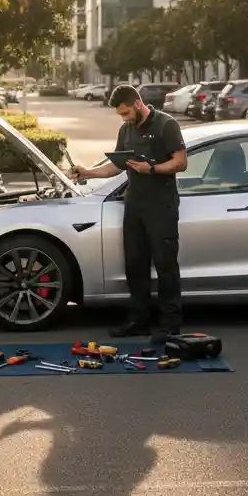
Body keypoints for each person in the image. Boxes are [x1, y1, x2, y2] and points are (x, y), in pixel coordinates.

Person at [72, 83, 189, 341]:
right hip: (134, 205)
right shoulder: (126, 129)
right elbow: (117, 167)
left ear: (137, 103)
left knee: (165, 265)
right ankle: (139, 321)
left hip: (162, 206)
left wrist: (152, 169)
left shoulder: (166, 125)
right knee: (135, 265)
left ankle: (170, 326)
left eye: (125, 112)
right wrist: (88, 172)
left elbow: (181, 162)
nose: (123, 118)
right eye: (120, 115)